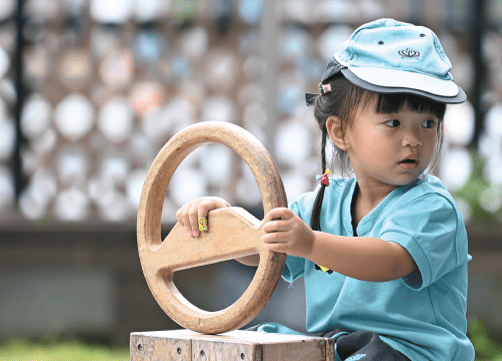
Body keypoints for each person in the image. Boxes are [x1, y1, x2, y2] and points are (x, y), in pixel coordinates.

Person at [175, 19, 473, 361]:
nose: (414, 139)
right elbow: (265, 247)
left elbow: (390, 261)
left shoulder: (433, 208)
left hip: (411, 352)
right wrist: (219, 222)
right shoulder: (322, 204)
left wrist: (311, 243)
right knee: (257, 345)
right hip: (336, 347)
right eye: (393, 123)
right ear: (340, 132)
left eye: (428, 123)